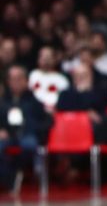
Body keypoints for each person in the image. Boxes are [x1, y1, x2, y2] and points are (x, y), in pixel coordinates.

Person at [0, 65, 49, 193]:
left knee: (30, 145)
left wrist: (33, 129)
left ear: (26, 81)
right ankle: (10, 179)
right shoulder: (3, 102)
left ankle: (18, 173)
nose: (16, 82)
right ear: (8, 82)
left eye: (19, 78)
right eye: (12, 79)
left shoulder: (34, 101)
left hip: (27, 135)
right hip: (7, 136)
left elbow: (44, 121)